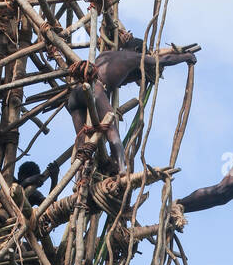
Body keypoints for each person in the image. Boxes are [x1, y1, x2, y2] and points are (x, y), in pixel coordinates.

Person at [66, 37, 197, 173]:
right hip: (94, 90)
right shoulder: (135, 57)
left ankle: (80, 171)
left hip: (75, 96)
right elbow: (163, 60)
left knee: (82, 139)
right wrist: (187, 56)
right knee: (112, 130)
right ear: (137, 50)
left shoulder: (105, 55)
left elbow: (116, 78)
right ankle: (121, 169)